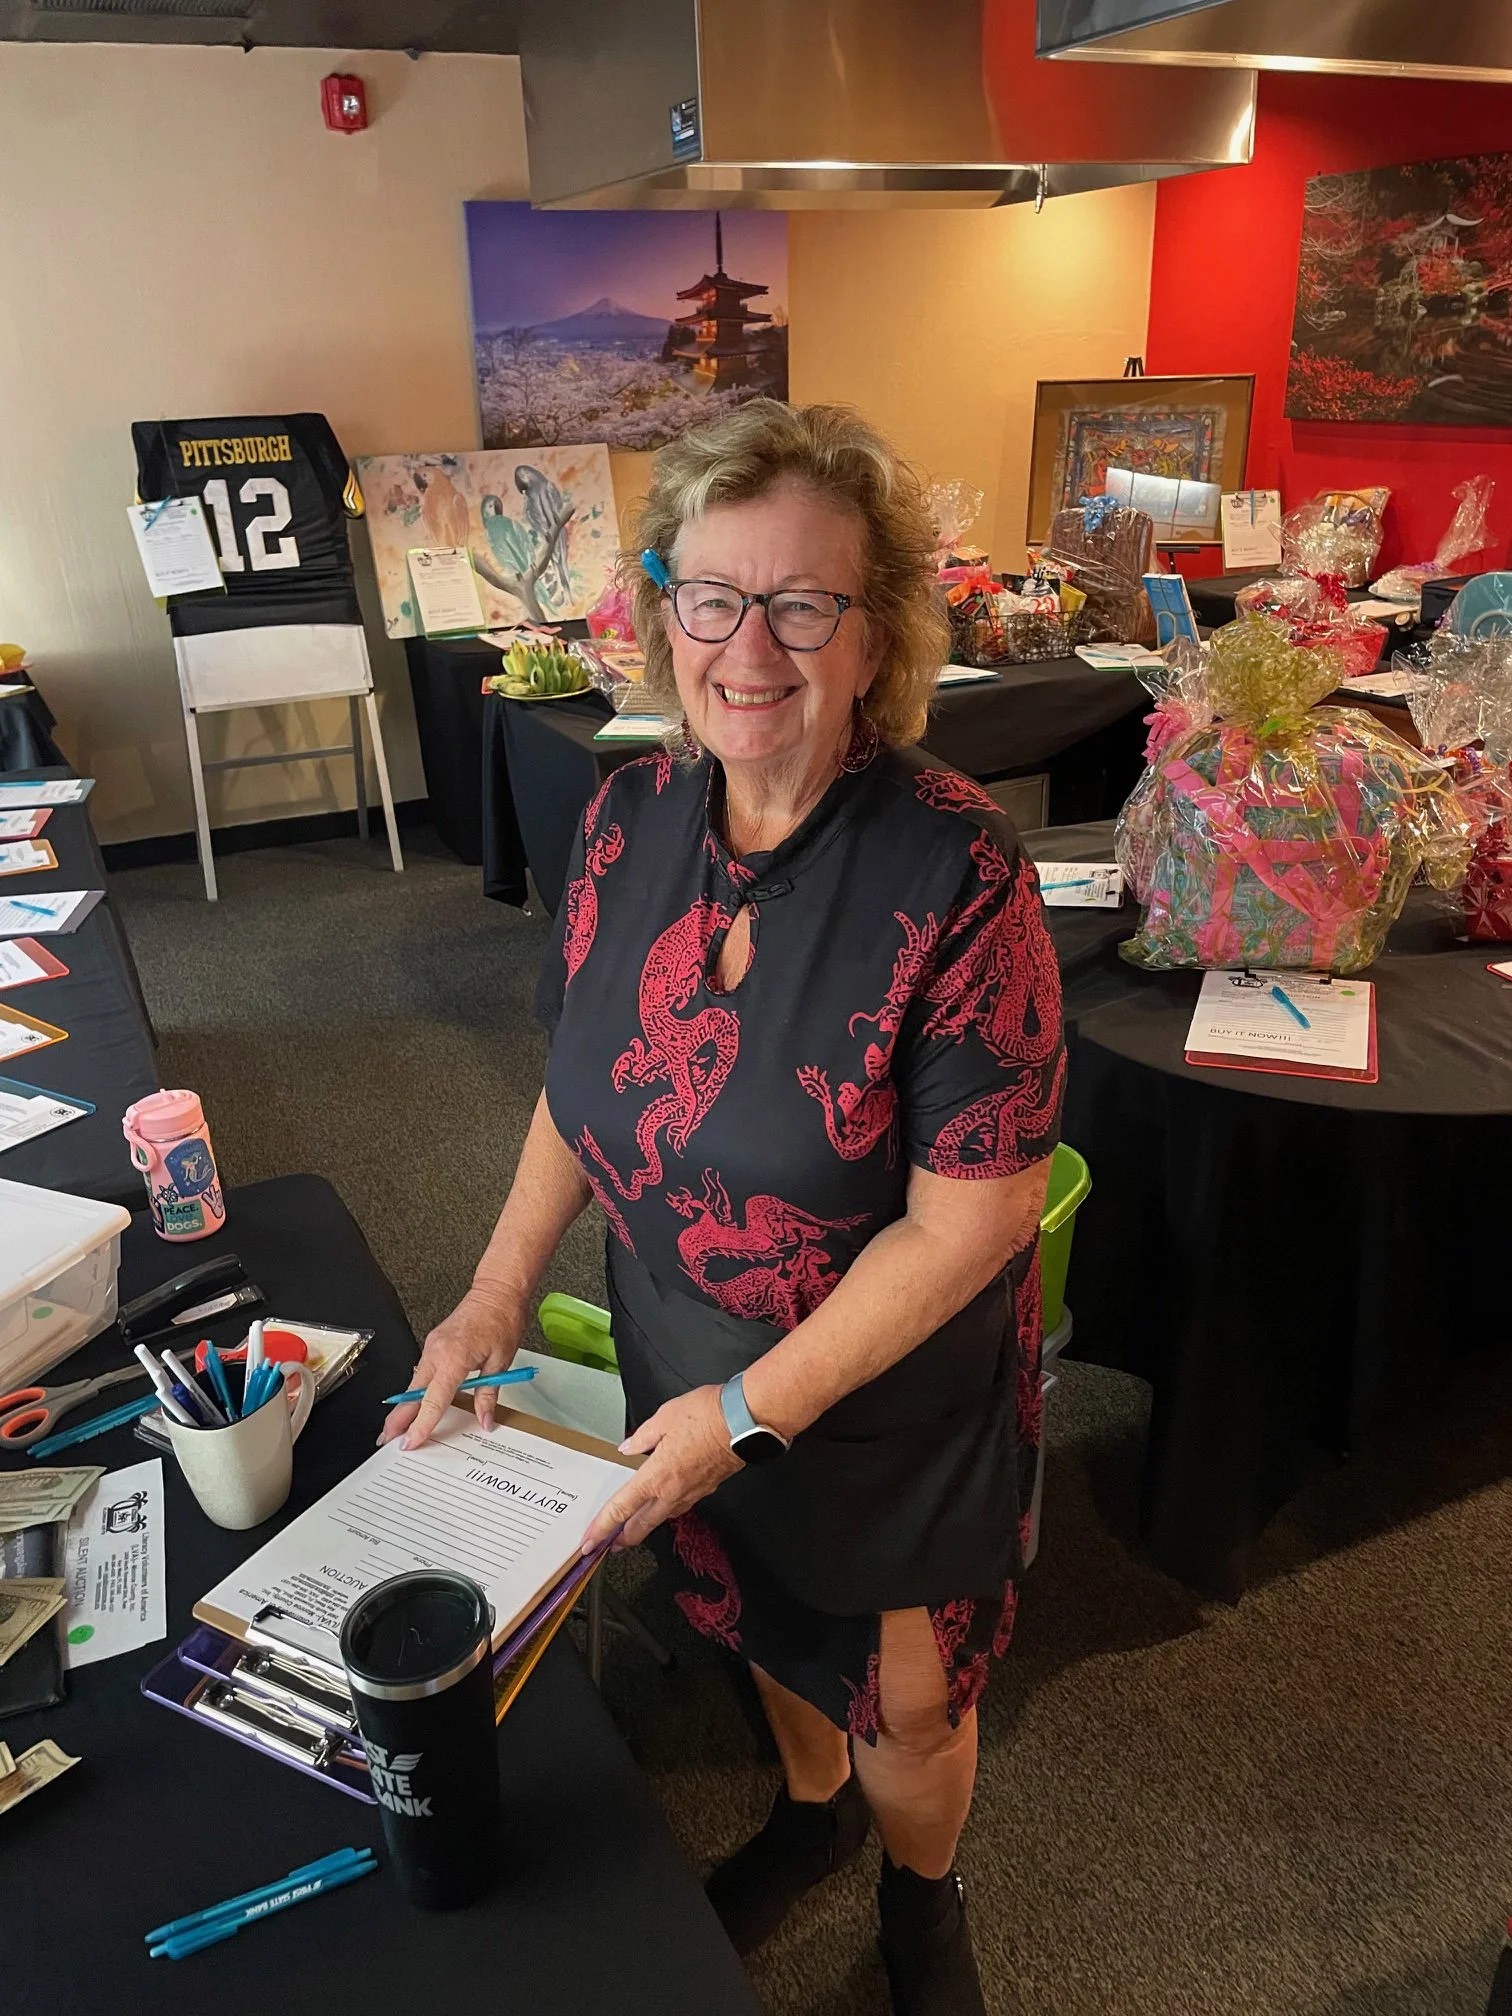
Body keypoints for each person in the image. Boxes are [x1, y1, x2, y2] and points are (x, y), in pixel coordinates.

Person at [383, 400, 1065, 2013]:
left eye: (803, 603)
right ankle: (809, 1810)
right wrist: (493, 1292)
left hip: (883, 1396)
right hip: (682, 1353)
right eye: (714, 597)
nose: (751, 647)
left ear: (877, 628)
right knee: (752, 1616)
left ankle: (920, 1890)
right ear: (661, 610)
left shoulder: (961, 874)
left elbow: (969, 1224)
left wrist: (750, 1411)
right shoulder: (627, 822)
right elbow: (581, 1079)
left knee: (906, 1705)